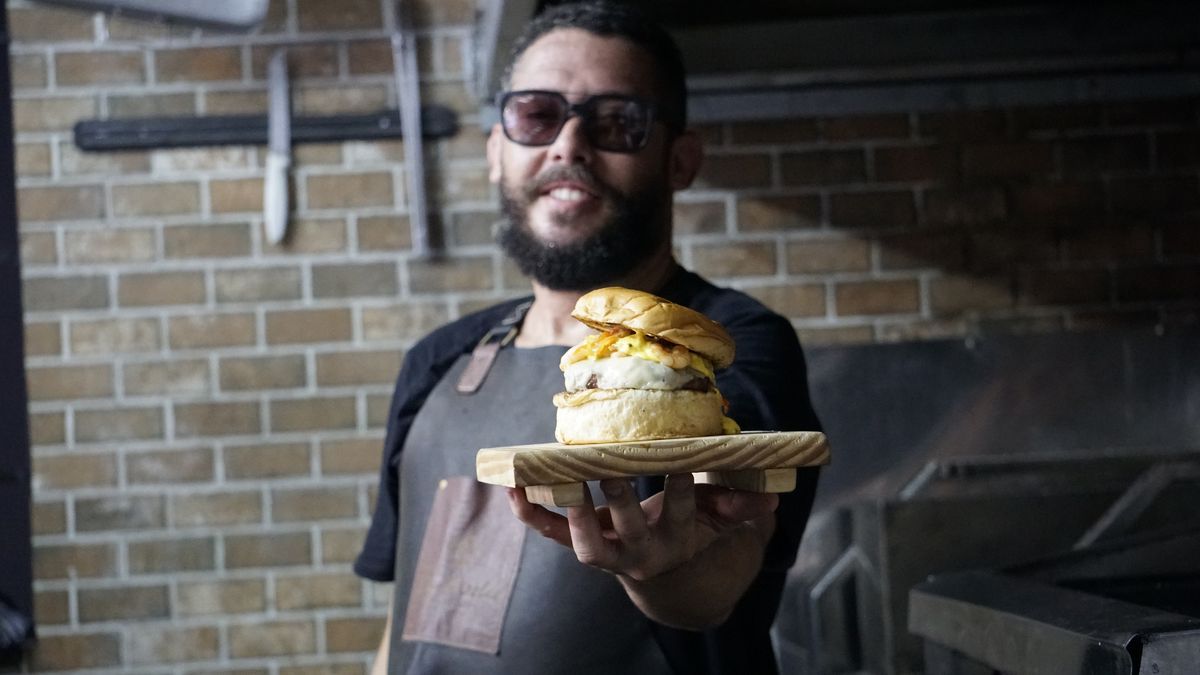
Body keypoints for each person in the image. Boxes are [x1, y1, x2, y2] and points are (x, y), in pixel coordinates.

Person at [354, 2, 823, 673]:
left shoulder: (733, 344)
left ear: (680, 160)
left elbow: (726, 565)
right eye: (536, 115)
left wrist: (656, 571)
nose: (568, 144)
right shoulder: (438, 359)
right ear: (495, 150)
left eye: (617, 122)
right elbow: (407, 614)